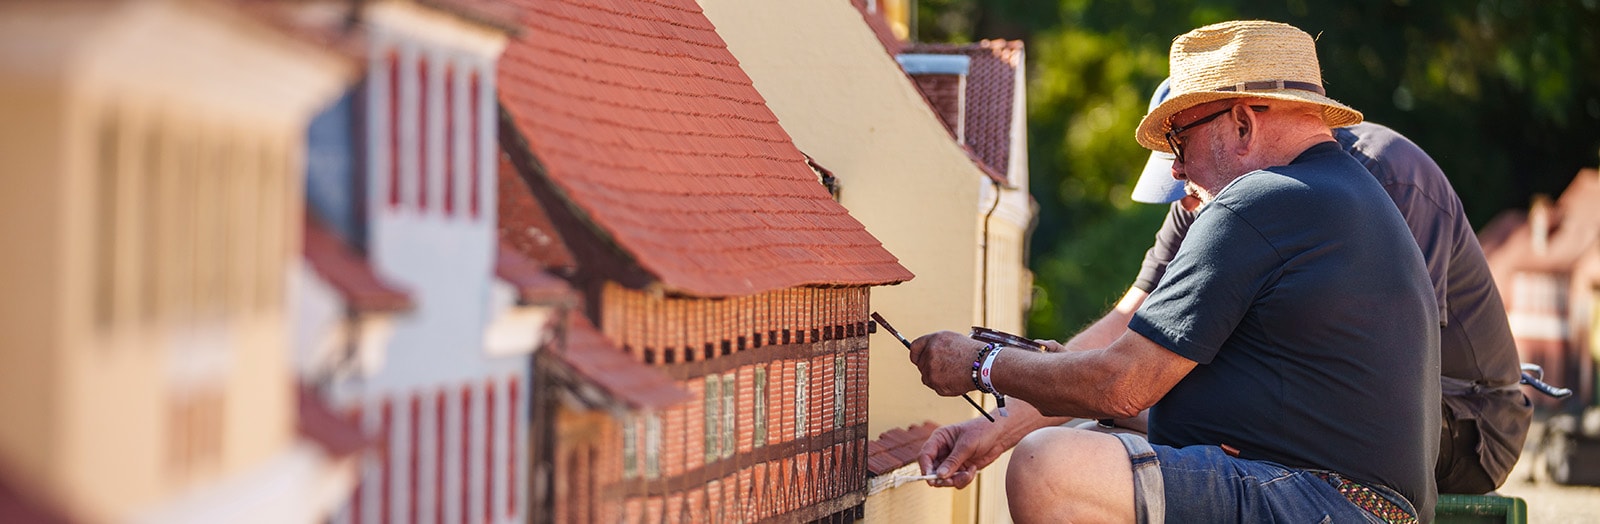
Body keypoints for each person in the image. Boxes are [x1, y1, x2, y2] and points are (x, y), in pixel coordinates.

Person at [908, 20, 1440, 522]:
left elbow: (1121, 382)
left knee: (1050, 466)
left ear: (1241, 122)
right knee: (1093, 433)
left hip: (1322, 500)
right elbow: (1130, 361)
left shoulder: (1261, 201)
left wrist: (980, 363)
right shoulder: (1347, 193)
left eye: (1178, 141)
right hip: (1342, 499)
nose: (1177, 169)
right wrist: (996, 423)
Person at [1069, 79, 1534, 494]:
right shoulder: (1200, 197)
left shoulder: (1384, 178)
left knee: (1146, 411)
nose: (1181, 182)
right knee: (1090, 435)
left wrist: (1131, 390)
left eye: (1183, 149)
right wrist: (1015, 414)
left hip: (1464, 420)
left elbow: (1394, 369)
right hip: (1316, 403)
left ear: (1240, 128)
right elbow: (1132, 321)